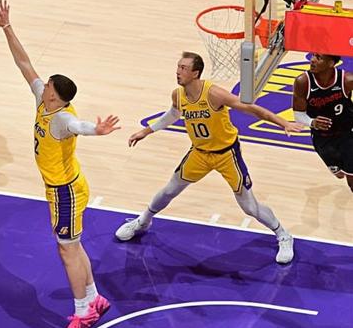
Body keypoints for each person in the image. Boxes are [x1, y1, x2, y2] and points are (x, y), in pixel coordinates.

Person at [0, 0, 120, 328]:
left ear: (55, 97)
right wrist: (7, 28)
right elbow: (24, 63)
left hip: (66, 192)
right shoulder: (42, 100)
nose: (42, 84)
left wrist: (98, 130)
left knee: (67, 250)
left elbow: (78, 126)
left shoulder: (62, 117)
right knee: (73, 246)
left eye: (47, 85)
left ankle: (83, 311)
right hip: (63, 187)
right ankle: (94, 297)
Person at [115, 52, 303, 264]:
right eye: (178, 67)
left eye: (183, 68)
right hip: (199, 153)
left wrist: (283, 123)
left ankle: (283, 235)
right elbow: (172, 115)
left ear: (195, 73)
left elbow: (251, 109)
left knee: (249, 207)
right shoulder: (178, 95)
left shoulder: (214, 94)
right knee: (169, 190)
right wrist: (146, 131)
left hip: (227, 154)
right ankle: (143, 222)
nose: (178, 71)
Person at [292, 53, 353, 192]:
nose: (312, 60)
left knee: (351, 178)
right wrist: (312, 122)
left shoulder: (346, 80)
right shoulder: (303, 82)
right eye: (313, 56)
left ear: (331, 63)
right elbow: (298, 115)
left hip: (347, 134)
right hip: (322, 139)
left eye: (318, 58)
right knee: (339, 174)